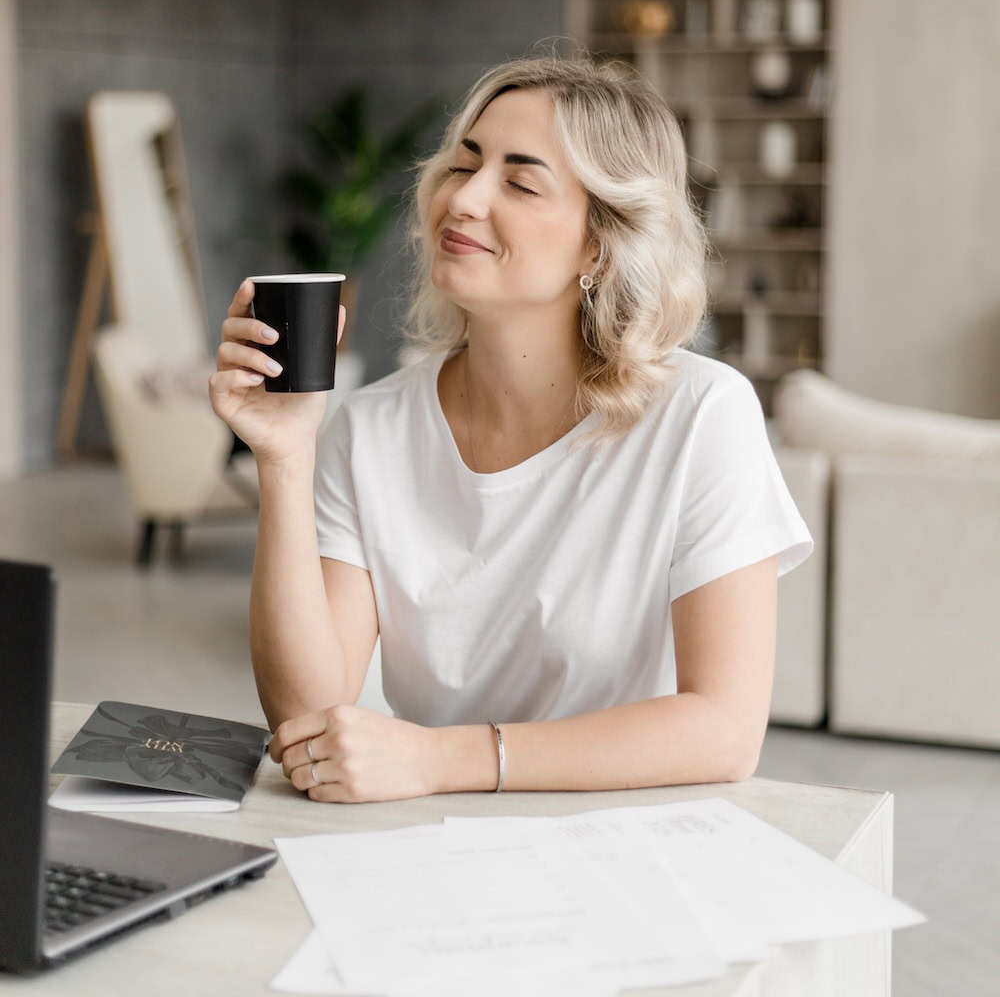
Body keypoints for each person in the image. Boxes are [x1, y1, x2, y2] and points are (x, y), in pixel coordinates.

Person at [209, 54, 813, 805]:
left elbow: (724, 732)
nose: (463, 199)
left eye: (520, 183)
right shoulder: (369, 430)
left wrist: (439, 761)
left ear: (601, 243)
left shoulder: (702, 415)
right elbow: (307, 720)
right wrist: (284, 457)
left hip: (625, 835)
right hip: (429, 840)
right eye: (464, 166)